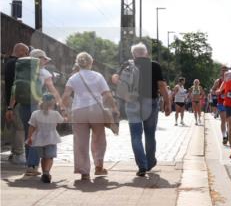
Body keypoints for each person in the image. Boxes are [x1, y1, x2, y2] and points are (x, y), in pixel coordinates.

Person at [62, 52, 117, 180]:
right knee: (99, 138)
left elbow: (65, 96)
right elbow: (107, 95)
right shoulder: (98, 76)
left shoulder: (73, 78)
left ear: (78, 63)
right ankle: (99, 167)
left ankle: (84, 172)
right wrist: (114, 109)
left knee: (80, 141)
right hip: (96, 110)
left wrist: (64, 110)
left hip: (78, 111)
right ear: (91, 63)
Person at [10, 49, 61, 177]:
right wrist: (60, 103)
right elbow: (52, 89)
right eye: (44, 59)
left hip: (23, 106)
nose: (45, 61)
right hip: (37, 106)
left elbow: (14, 90)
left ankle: (29, 165)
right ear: (39, 60)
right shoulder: (44, 72)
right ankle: (32, 166)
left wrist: (10, 107)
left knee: (29, 135)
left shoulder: (22, 72)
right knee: (36, 136)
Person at [123, 43, 171, 176]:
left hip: (132, 104)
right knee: (150, 134)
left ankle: (142, 165)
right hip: (150, 102)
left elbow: (118, 83)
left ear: (133, 55)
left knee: (135, 135)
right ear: (146, 53)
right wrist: (167, 103)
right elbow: (161, 85)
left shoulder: (127, 66)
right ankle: (150, 162)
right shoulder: (154, 65)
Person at [26, 92, 63, 184]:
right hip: (51, 138)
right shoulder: (55, 114)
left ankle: (44, 173)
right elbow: (62, 121)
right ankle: (46, 172)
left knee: (43, 157)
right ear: (53, 103)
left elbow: (31, 127)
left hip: (39, 139)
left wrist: (29, 137)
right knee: (49, 157)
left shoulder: (35, 113)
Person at [3, 42, 30, 165]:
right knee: (20, 128)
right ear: (20, 51)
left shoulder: (8, 63)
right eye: (25, 52)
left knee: (15, 128)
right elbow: (18, 84)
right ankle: (19, 154)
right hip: (17, 100)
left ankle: (15, 153)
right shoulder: (18, 64)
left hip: (10, 100)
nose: (27, 55)